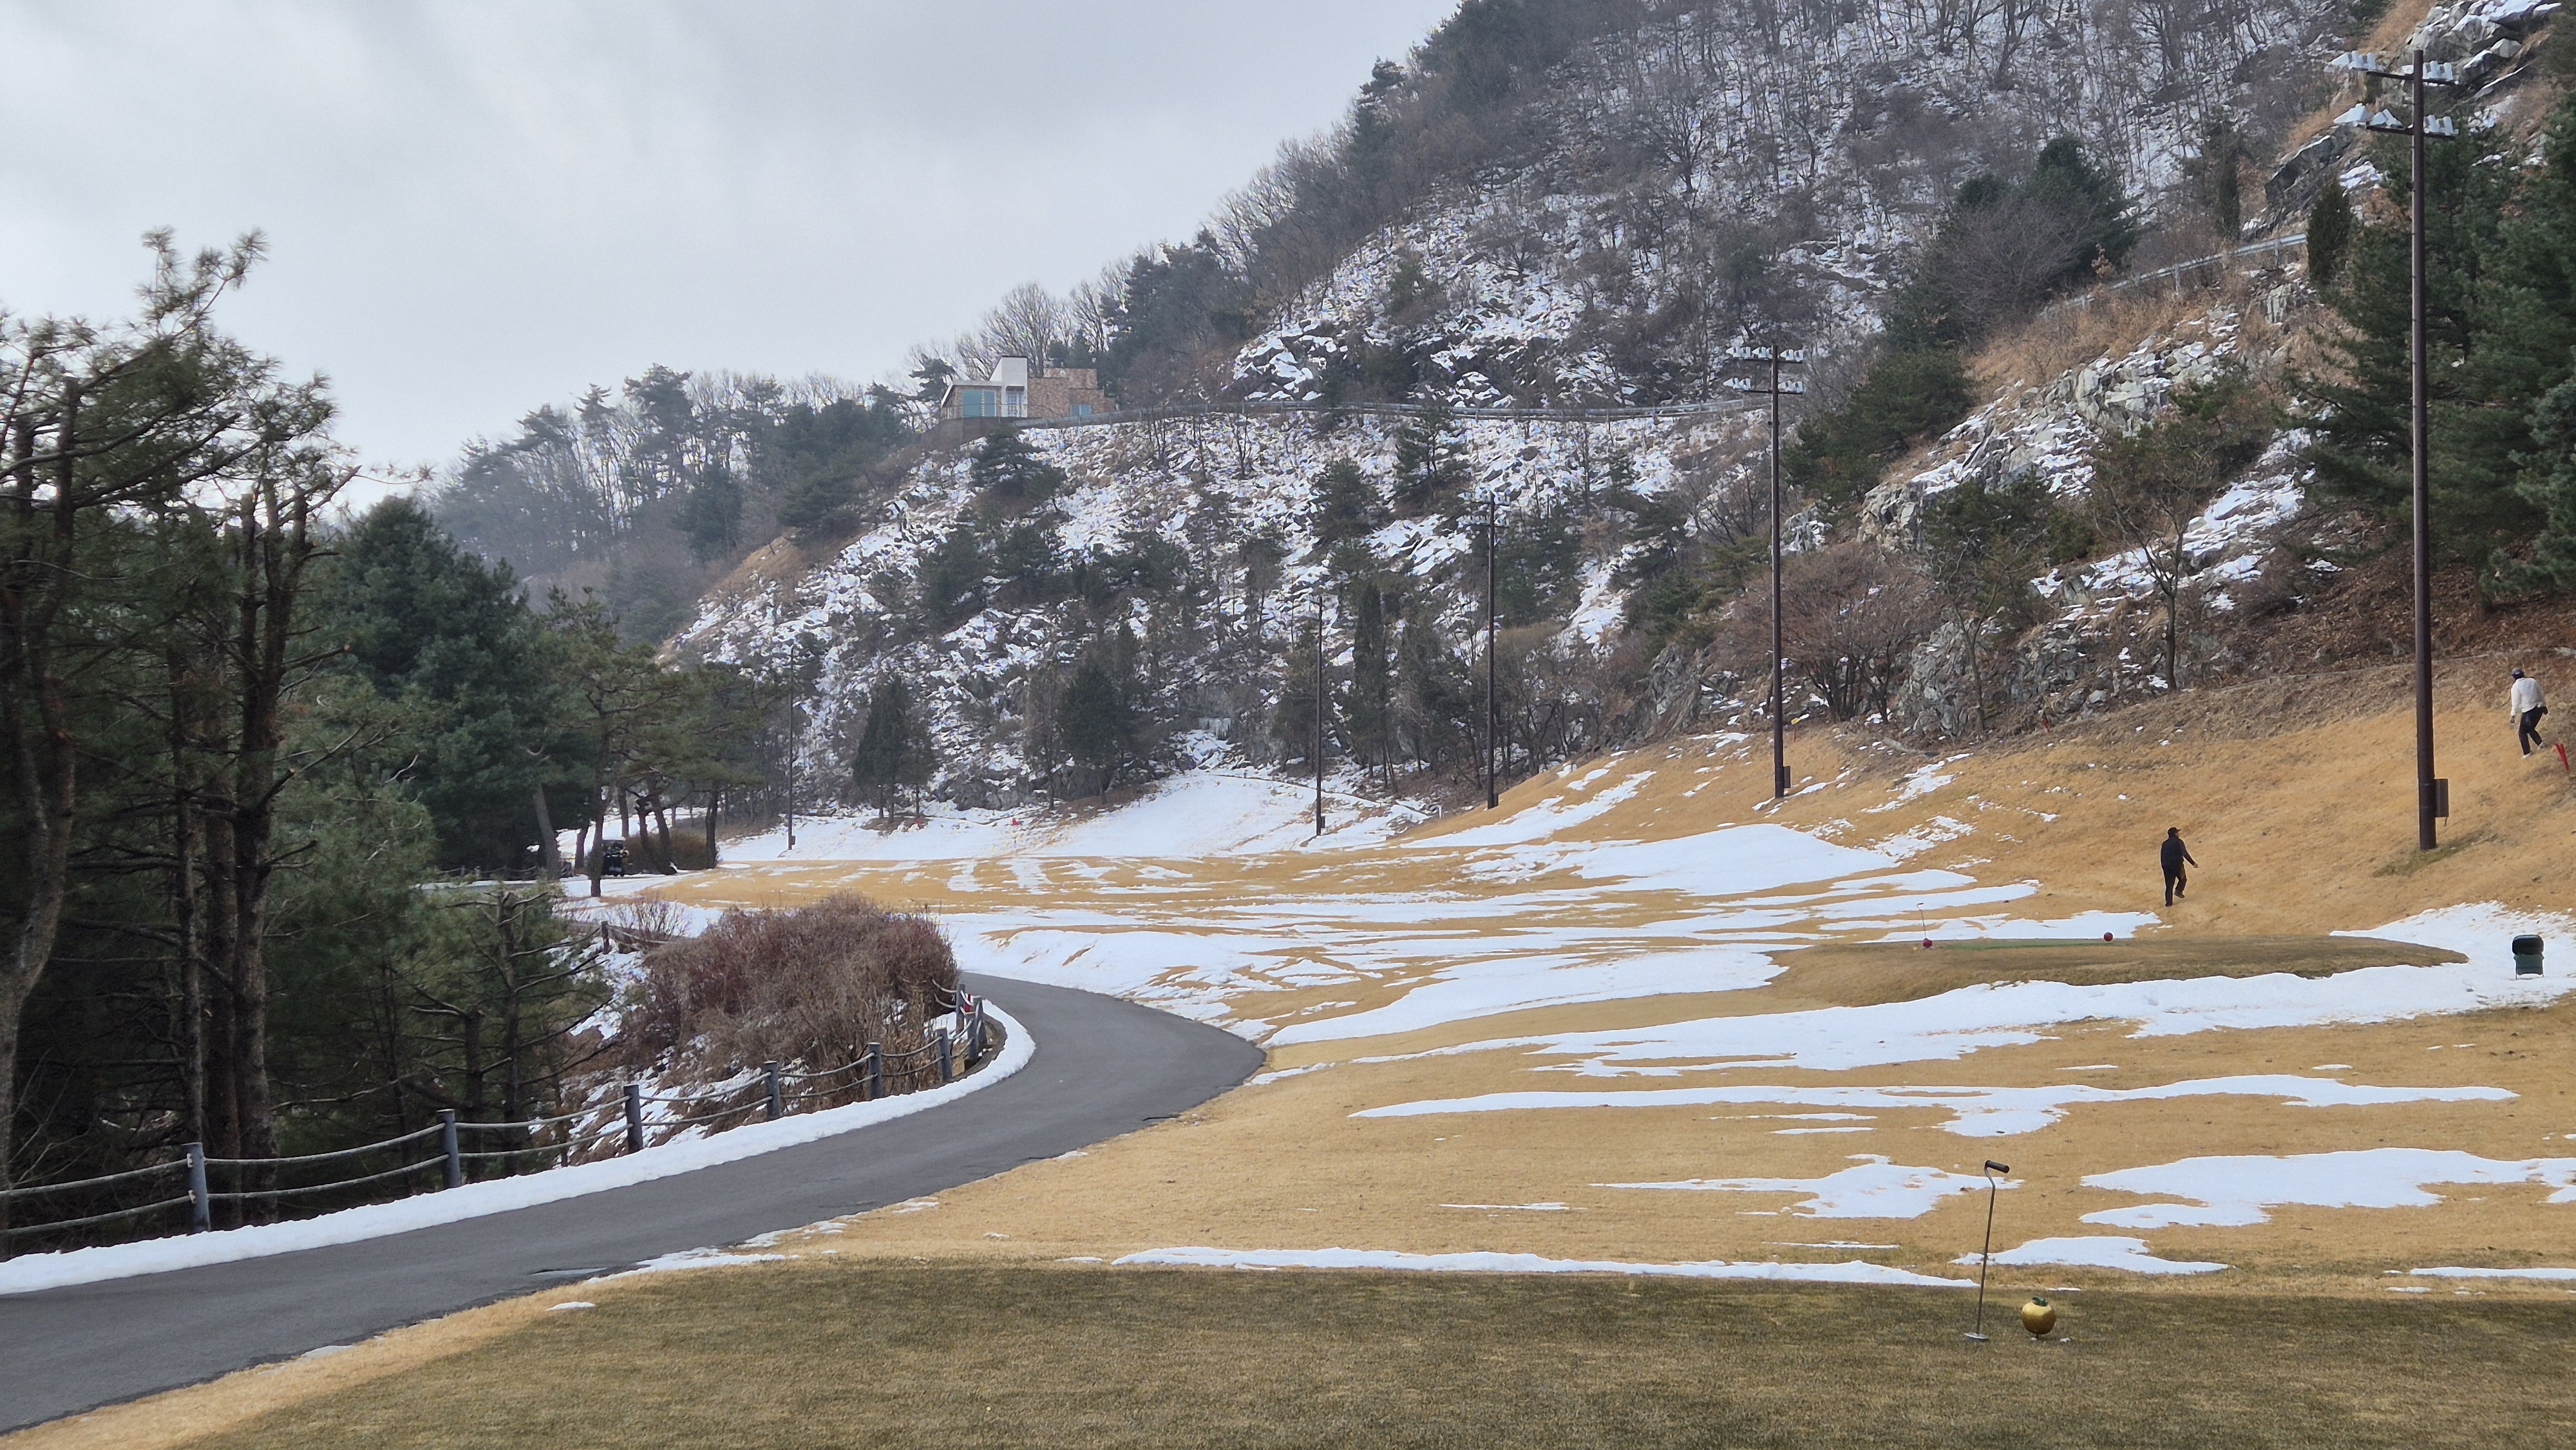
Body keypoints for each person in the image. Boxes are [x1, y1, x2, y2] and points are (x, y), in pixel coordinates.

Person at [2511, 668, 2547, 757]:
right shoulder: (2533, 681)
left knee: (2522, 732)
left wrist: (2513, 715)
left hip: (2529, 711)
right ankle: (2541, 743)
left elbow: (2516, 702)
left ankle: (2527, 753)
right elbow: (2540, 693)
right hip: (2539, 708)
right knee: (2530, 728)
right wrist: (2544, 706)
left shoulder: (2516, 687)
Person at [2160, 827, 2196, 907]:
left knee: (2169, 884)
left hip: (2167, 866)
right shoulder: (2179, 842)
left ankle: (2169, 903)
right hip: (2177, 865)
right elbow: (2185, 853)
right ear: (2176, 834)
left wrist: (2163, 865)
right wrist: (2193, 863)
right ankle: (2178, 891)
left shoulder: (2165, 844)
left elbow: (2162, 856)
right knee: (2183, 879)